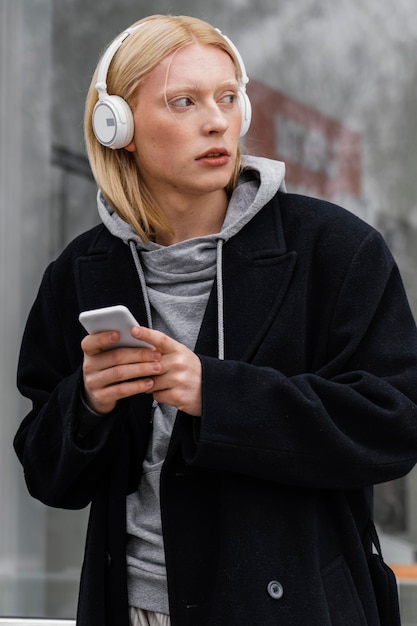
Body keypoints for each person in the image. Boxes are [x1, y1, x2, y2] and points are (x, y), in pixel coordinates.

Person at [14, 13, 417, 626]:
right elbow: (48, 477)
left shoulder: (334, 250)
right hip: (131, 609)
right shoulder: (79, 273)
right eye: (184, 101)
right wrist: (87, 404)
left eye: (229, 98)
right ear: (116, 125)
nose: (217, 120)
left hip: (293, 609)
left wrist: (218, 394)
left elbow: (396, 425)